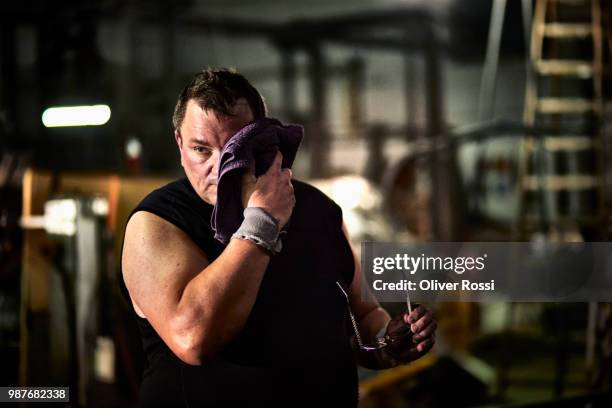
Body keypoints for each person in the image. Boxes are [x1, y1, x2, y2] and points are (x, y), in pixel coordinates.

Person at [120, 68, 436, 407]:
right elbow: (193, 337)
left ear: (262, 137)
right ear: (180, 144)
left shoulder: (318, 210)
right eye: (201, 150)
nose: (219, 167)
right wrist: (262, 223)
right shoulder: (155, 223)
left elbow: (364, 316)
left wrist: (389, 344)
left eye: (233, 149)